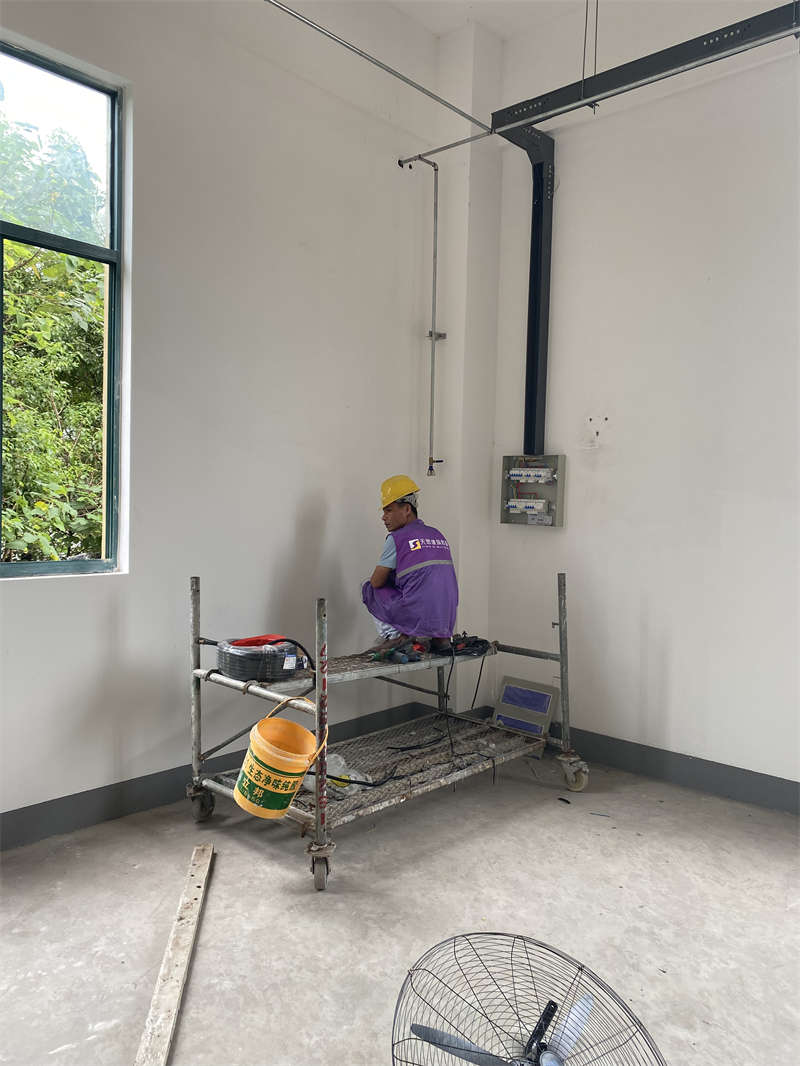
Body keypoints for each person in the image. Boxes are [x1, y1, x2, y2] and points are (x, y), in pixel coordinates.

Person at [362, 475, 458, 650]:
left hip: (417, 614)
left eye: (388, 511)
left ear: (407, 509)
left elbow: (376, 582)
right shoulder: (437, 534)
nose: (383, 517)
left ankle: (396, 636)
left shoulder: (397, 538)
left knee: (369, 587)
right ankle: (440, 639)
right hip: (447, 617)